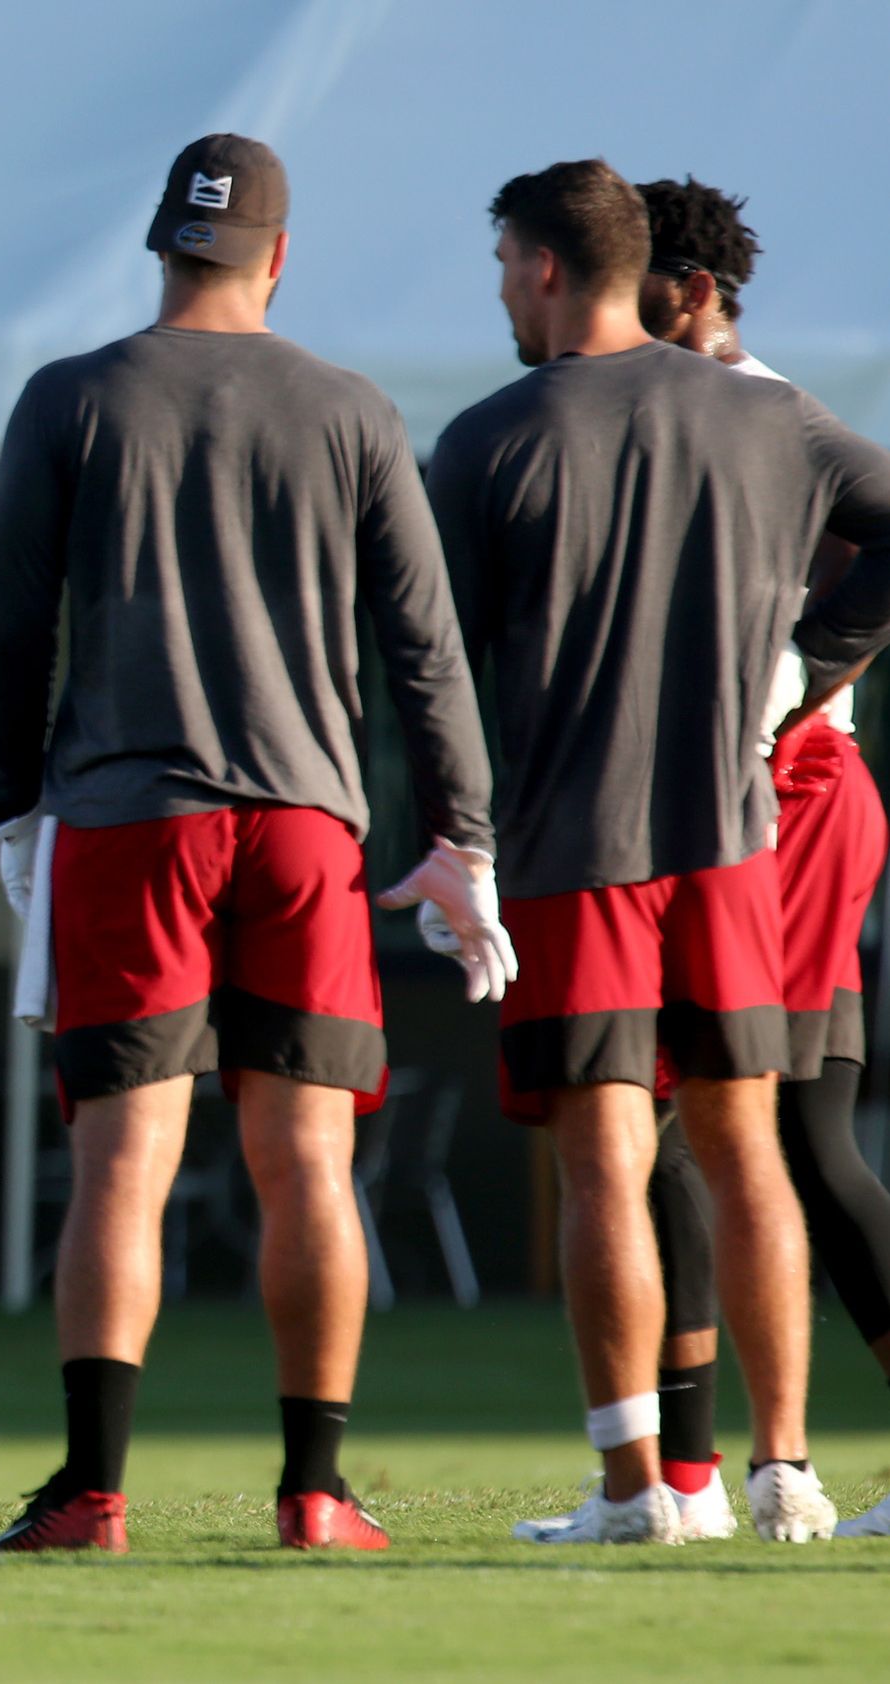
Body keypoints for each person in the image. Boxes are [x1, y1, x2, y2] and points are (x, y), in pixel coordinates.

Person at [0, 136, 508, 1555]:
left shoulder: (69, 397)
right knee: (308, 1164)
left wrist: (16, 804)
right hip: (301, 826)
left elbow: (12, 632)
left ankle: (91, 1493)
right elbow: (424, 651)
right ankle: (315, 1493)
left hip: (127, 819)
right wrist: (464, 835)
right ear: (277, 255)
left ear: (161, 248)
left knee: (119, 1164)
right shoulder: (348, 408)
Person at [433, 158, 890, 1546]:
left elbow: (426, 666)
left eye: (506, 262)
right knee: (747, 1143)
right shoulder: (767, 416)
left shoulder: (488, 434)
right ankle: (774, 1472)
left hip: (589, 838)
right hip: (737, 838)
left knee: (615, 1155)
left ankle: (640, 1487)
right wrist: (792, 676)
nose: (500, 287)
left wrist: (443, 839)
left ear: (551, 268)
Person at [627, 175, 890, 1542]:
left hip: (791, 799)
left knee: (782, 1124)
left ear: (694, 291)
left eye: (635, 282)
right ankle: (685, 1481)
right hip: (693, 804)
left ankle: (760, 1465)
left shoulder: (766, 407)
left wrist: (795, 677)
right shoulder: (647, 408)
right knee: (675, 1118)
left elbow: (880, 544)